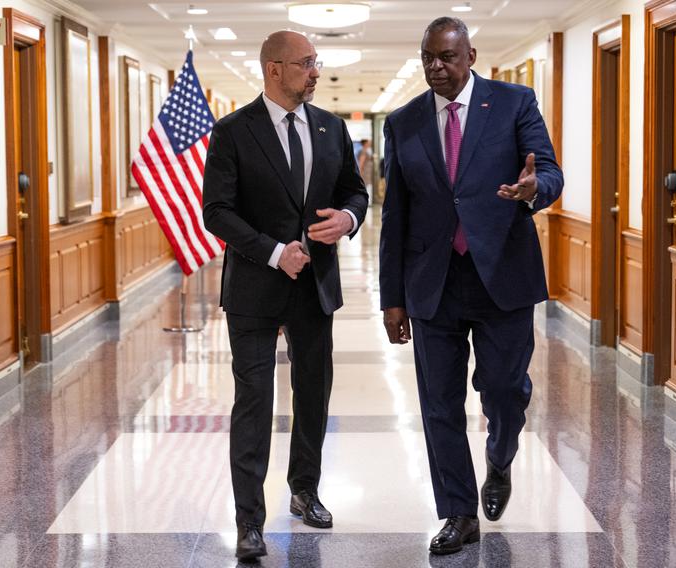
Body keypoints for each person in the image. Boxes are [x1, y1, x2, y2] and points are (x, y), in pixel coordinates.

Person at [379, 17, 563, 555]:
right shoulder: (404, 121)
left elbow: (549, 170)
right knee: (439, 403)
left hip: (502, 275)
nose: (437, 67)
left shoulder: (513, 102)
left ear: (471, 56)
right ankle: (458, 512)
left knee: (504, 392)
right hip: (432, 282)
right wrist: (393, 298)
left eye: (447, 57)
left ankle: (500, 457)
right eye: (428, 57)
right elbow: (397, 214)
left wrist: (534, 189)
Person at [202, 30, 369, 563]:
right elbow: (217, 211)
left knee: (313, 392)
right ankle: (248, 519)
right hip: (255, 286)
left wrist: (348, 217)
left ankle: (305, 490)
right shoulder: (233, 132)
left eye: (316, 63)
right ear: (274, 69)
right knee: (253, 401)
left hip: (315, 287)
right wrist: (274, 252)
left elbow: (354, 191)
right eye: (306, 64)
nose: (316, 72)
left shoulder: (330, 127)